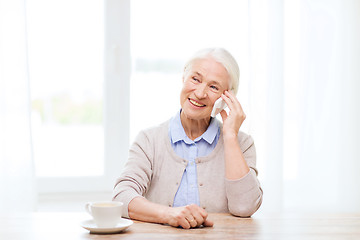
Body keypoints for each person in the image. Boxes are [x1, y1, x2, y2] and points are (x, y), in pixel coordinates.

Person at [113, 48, 263, 229]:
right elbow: (121, 197)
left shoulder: (242, 144)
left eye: (213, 87)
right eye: (195, 79)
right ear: (183, 77)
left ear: (227, 97)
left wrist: (230, 136)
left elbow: (245, 207)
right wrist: (169, 215)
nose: (200, 93)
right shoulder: (149, 140)